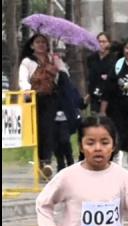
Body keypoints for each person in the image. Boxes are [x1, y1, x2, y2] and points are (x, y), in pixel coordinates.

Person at [19, 33, 69, 178]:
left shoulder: (53, 59)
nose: (41, 45)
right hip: (35, 99)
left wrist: (57, 67)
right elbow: (23, 79)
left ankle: (46, 161)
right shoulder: (27, 61)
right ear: (32, 45)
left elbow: (64, 76)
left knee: (49, 129)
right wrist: (27, 90)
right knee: (38, 131)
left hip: (51, 99)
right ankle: (40, 163)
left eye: (43, 42)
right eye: (38, 42)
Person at [101, 39, 128, 173]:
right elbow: (108, 90)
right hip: (117, 109)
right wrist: (103, 111)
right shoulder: (118, 65)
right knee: (117, 137)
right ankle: (116, 165)